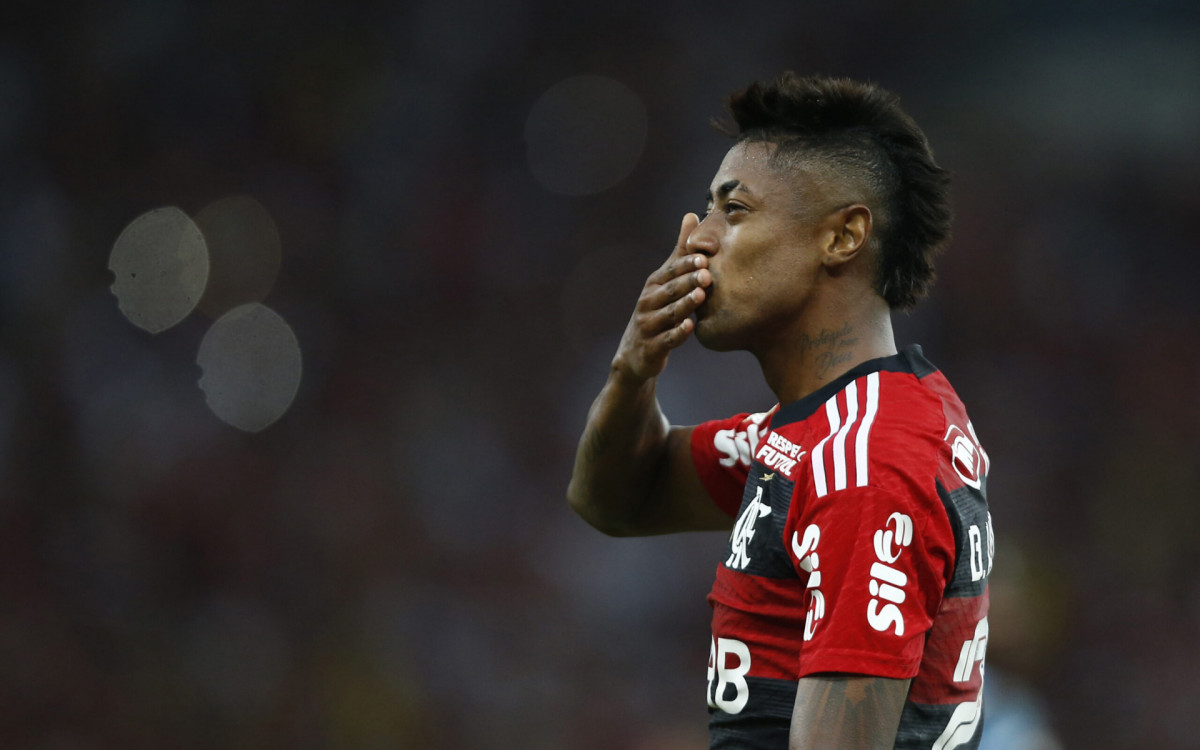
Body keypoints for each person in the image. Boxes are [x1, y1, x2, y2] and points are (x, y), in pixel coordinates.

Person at [567, 72, 993, 749]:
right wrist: (634, 369)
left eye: (733, 212)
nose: (698, 241)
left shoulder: (866, 462)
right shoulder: (817, 435)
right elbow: (619, 500)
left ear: (843, 236)